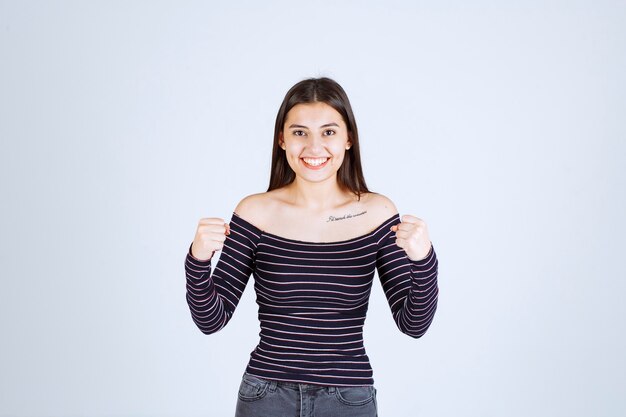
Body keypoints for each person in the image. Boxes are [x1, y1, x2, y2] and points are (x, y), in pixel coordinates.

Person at [184, 77, 439, 417]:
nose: (314, 147)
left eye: (329, 132)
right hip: (265, 396)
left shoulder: (377, 213)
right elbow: (211, 320)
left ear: (349, 139)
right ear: (282, 140)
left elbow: (413, 324)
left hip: (348, 398)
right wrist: (198, 260)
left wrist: (424, 260)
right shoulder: (255, 212)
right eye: (300, 132)